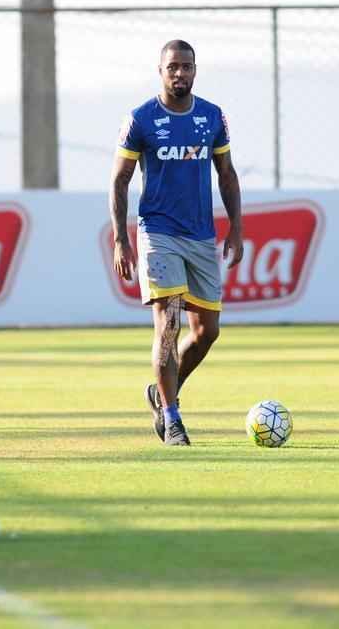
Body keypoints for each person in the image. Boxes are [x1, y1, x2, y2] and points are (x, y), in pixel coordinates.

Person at [109, 39, 244, 446]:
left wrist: (236, 227)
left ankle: (163, 391)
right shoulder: (141, 119)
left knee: (207, 332)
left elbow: (226, 173)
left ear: (195, 70)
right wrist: (121, 239)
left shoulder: (212, 116)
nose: (179, 73)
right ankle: (172, 420)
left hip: (201, 235)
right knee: (168, 324)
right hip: (157, 232)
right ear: (160, 71)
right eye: (172, 67)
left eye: (186, 66)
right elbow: (120, 179)